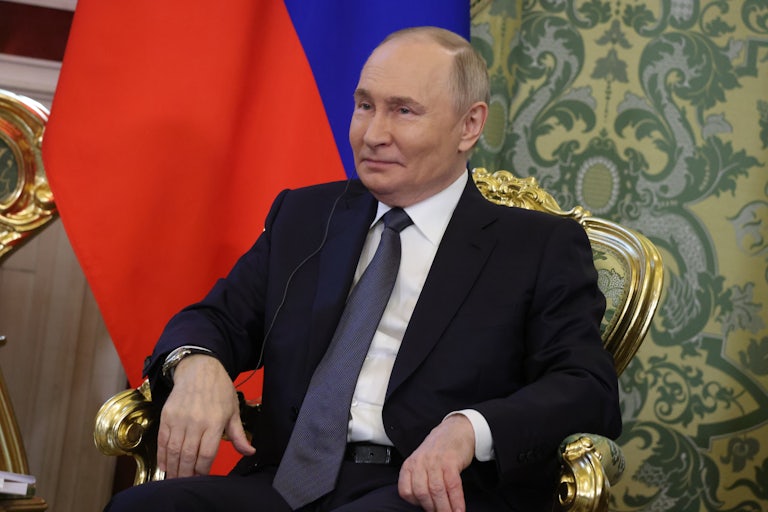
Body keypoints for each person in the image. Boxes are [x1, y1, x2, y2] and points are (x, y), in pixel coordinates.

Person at [105, 26, 621, 512]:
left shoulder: (534, 246)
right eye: (364, 106)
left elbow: (585, 386)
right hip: (284, 484)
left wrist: (470, 429)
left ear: (469, 125)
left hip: (424, 492)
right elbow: (216, 318)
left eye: (403, 111)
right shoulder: (305, 217)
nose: (374, 133)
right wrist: (196, 364)